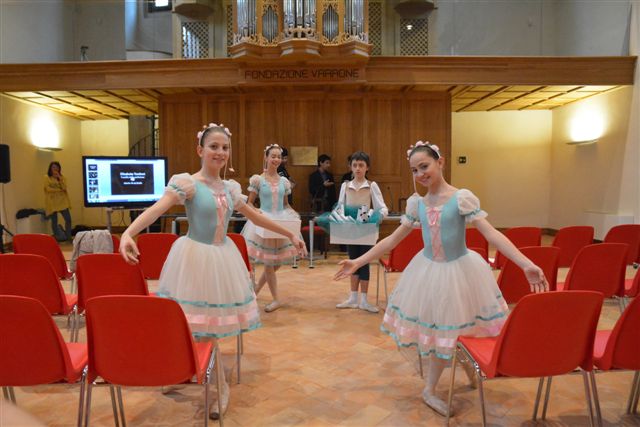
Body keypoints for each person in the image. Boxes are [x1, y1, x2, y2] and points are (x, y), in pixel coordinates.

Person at [334, 140, 548, 417]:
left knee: (460, 324)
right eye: (414, 170)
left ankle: (465, 366)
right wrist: (358, 261)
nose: (420, 174)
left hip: (460, 272)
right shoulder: (418, 204)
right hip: (428, 273)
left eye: (424, 166)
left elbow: (491, 233)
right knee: (441, 330)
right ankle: (430, 390)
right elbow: (391, 240)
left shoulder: (461, 198)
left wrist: (525, 263)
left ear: (440, 162)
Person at [119, 124, 307, 419]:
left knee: (210, 329)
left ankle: (219, 386)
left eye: (225, 148)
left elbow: (255, 216)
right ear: (200, 150)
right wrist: (128, 233)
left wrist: (290, 234)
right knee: (189, 325)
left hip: (222, 259)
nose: (220, 152)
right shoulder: (188, 184)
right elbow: (157, 209)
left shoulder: (230, 189)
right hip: (194, 258)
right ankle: (180, 370)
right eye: (214, 146)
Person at [242, 144, 302, 313]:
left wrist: (293, 214)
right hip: (264, 221)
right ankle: (276, 299)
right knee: (269, 262)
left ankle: (256, 289)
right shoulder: (258, 180)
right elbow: (249, 203)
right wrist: (256, 212)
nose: (276, 159)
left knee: (276, 262)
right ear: (266, 157)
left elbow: (286, 204)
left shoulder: (284, 181)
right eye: (273, 156)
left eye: (278, 157)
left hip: (281, 221)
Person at [335, 151, 388, 313]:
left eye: (361, 165)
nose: (358, 168)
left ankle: (364, 300)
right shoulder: (345, 186)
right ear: (350, 167)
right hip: (350, 229)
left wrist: (373, 216)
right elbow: (339, 206)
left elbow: (382, 208)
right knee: (352, 260)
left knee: (364, 263)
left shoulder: (372, 185)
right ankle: (353, 298)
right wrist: (341, 217)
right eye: (355, 165)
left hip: (366, 229)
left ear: (367, 168)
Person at [44, 161, 72, 241]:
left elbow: (64, 188)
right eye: (53, 167)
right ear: (50, 168)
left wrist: (59, 179)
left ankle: (68, 237)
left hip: (62, 201)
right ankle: (57, 238)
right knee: (54, 221)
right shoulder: (46, 177)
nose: (55, 169)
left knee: (68, 219)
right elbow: (48, 189)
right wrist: (59, 190)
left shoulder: (62, 178)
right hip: (52, 202)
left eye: (57, 167)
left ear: (59, 168)